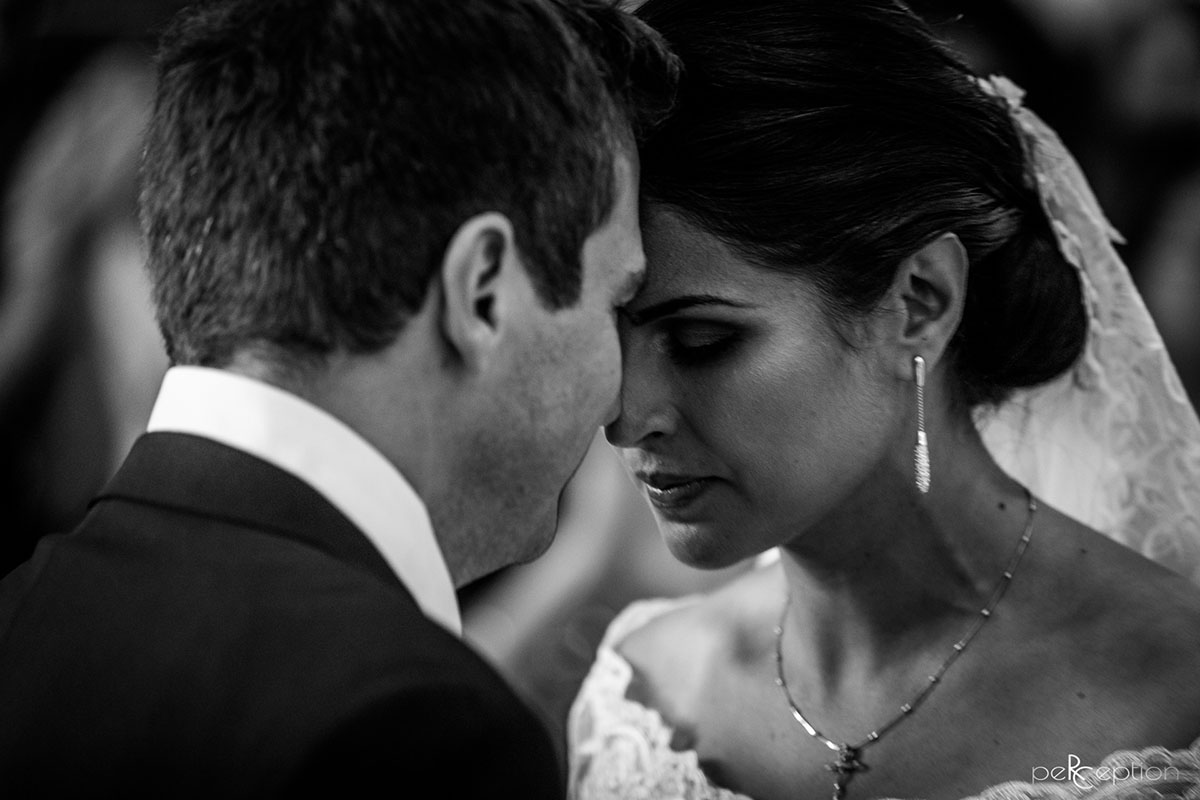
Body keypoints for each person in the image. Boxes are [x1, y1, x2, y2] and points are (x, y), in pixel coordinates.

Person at [0, 0, 677, 796]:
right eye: (616, 305)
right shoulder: (420, 731)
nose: (624, 399)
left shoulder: (20, 617)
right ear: (483, 293)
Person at [567, 1, 1200, 798]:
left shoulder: (1177, 698)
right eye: (605, 333)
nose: (625, 415)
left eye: (701, 341)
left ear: (921, 302)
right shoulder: (645, 696)